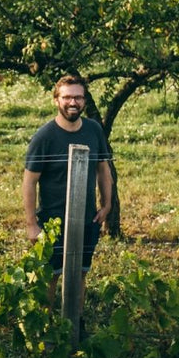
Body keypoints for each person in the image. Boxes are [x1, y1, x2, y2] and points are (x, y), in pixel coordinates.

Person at [23, 75, 113, 296]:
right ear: (56, 100)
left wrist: (107, 204)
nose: (73, 103)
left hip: (86, 219)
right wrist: (32, 224)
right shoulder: (44, 137)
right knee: (50, 277)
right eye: (67, 97)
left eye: (79, 98)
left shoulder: (94, 130)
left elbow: (103, 169)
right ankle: (48, 327)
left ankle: (76, 327)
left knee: (79, 274)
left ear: (84, 101)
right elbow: (29, 181)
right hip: (52, 222)